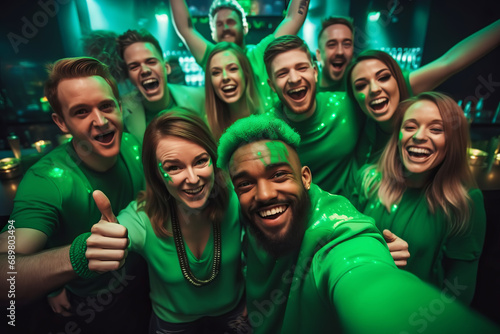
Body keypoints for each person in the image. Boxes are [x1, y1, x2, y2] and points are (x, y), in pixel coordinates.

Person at [215, 113, 498, 334]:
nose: (264, 194)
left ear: (305, 178)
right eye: (246, 184)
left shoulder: (337, 229)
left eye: (278, 175)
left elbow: (361, 271)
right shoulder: (241, 215)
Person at [0, 57, 150, 333]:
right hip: (93, 302)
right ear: (61, 122)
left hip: (144, 281)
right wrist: (78, 256)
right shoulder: (47, 181)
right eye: (81, 112)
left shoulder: (131, 144)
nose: (101, 121)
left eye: (106, 106)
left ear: (119, 106)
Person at [85, 109, 249, 333]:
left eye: (201, 161)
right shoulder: (143, 217)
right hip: (173, 326)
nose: (192, 179)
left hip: (235, 316)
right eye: (174, 167)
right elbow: (118, 232)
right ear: (157, 174)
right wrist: (108, 239)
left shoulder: (235, 197)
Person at [349, 92, 486, 305]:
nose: (419, 136)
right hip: (353, 300)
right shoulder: (368, 179)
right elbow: (339, 241)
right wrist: (372, 249)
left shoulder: (465, 203)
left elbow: (459, 292)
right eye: (410, 127)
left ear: (453, 142)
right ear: (398, 136)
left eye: (436, 129)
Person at [345, 19, 500, 166]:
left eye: (383, 77)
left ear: (398, 82)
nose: (374, 89)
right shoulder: (356, 123)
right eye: (361, 85)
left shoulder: (406, 87)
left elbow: (449, 62)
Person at [264, 35, 361, 196]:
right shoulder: (265, 130)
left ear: (315, 72)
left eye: (301, 68)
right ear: (272, 85)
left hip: (351, 217)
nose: (294, 79)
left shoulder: (348, 106)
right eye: (282, 73)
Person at [170, 0, 310, 109]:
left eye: (231, 22)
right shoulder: (211, 58)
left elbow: (293, 19)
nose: (225, 28)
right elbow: (185, 29)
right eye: (219, 24)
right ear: (213, 34)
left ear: (245, 29)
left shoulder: (261, 52)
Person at [117, 29, 205, 143]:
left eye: (151, 62)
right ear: (128, 76)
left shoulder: (200, 97)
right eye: (134, 66)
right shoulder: (121, 112)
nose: (145, 70)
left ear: (166, 68)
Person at [205, 42, 261, 140]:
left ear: (246, 73)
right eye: (216, 72)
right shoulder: (207, 129)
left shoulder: (271, 116)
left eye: (233, 69)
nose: (225, 77)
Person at [315, 16, 355, 92]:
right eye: (332, 45)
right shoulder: (306, 93)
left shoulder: (361, 92)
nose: (340, 52)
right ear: (318, 55)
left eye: (346, 44)